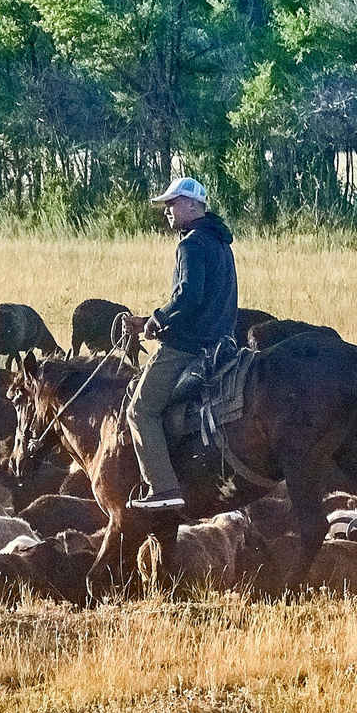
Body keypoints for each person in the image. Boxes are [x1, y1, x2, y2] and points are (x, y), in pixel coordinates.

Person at [121, 177, 237, 510]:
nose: (167, 212)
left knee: (140, 410)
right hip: (221, 345)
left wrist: (155, 322)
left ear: (191, 205)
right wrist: (153, 321)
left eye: (172, 205)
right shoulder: (221, 244)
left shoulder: (191, 244)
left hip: (187, 348)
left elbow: (188, 297)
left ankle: (163, 488)